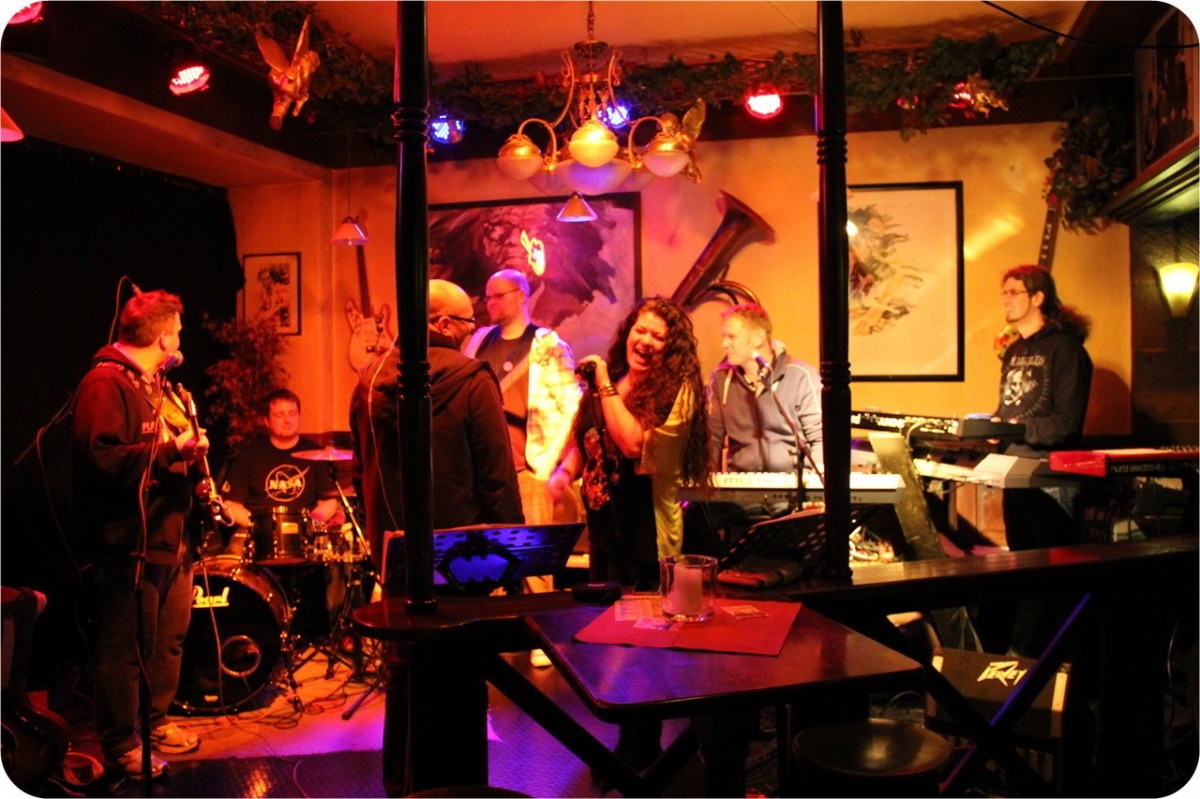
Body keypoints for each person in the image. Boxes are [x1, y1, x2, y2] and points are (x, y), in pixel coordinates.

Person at [547, 296, 710, 775]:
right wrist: (564, 471)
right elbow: (588, 436)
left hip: (647, 538)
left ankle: (645, 753)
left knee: (643, 651)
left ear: (671, 348)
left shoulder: (676, 390)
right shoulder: (614, 383)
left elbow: (633, 442)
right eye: (641, 330)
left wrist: (601, 380)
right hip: (606, 536)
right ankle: (626, 745)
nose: (646, 341)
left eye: (659, 336)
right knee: (611, 647)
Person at [71, 289, 207, 779]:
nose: (181, 340)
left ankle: (155, 721)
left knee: (167, 639)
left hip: (170, 536)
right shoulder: (105, 383)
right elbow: (102, 460)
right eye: (178, 332)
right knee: (125, 648)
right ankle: (121, 744)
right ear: (164, 336)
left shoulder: (156, 385)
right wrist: (172, 451)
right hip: (129, 542)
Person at [351, 278, 524, 586]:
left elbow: (360, 472)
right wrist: (511, 555)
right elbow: (498, 480)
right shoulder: (474, 380)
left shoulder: (367, 383)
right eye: (469, 323)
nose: (472, 331)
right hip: (465, 561)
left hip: (394, 558)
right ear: (444, 325)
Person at [463, 269, 582, 667]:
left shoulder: (546, 344)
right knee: (488, 556)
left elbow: (572, 403)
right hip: (484, 469)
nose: (490, 303)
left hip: (528, 465)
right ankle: (497, 636)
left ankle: (543, 639)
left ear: (520, 296)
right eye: (487, 297)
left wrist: (550, 461)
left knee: (534, 559)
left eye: (497, 296)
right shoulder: (479, 342)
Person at [991, 264, 1093, 656]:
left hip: (1050, 479)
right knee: (1024, 571)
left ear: (1038, 297)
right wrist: (989, 427)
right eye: (1003, 292)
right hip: (1014, 472)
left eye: (1013, 292)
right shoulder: (1014, 350)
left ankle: (1056, 663)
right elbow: (1011, 408)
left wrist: (1014, 429)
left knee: (1053, 578)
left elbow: (1066, 423)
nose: (1005, 299)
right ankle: (1023, 656)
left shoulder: (1066, 349)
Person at [693, 303, 823, 558]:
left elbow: (819, 438)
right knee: (696, 518)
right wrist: (703, 482)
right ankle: (719, 573)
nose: (724, 344)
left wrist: (816, 488)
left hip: (794, 491)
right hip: (742, 492)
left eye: (731, 337)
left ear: (758, 337)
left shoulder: (801, 375)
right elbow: (713, 436)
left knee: (797, 538)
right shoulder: (720, 379)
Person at [218, 389, 342, 559]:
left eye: (292, 413)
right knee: (232, 559)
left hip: (304, 534)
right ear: (266, 421)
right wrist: (260, 526)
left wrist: (308, 523)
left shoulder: (317, 454)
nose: (287, 420)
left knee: (334, 560)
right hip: (257, 533)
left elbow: (328, 501)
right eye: (279, 415)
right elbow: (231, 504)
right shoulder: (249, 455)